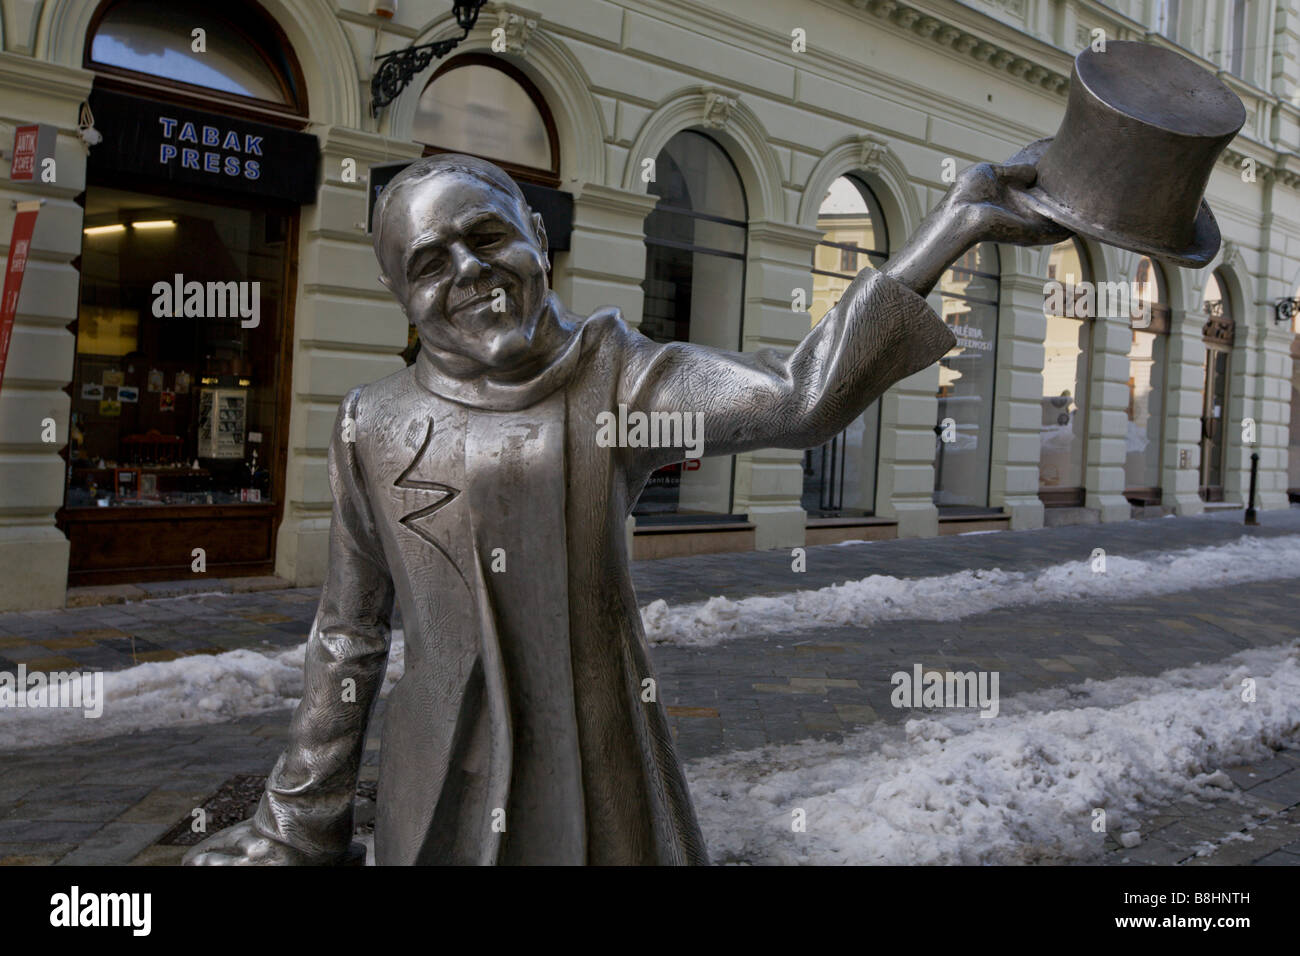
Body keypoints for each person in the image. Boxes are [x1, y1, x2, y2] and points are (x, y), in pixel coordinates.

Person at [184, 153, 1067, 865]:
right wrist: (295, 824)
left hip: (596, 770)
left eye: (487, 236)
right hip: (435, 785)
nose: (470, 272)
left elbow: (799, 396)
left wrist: (956, 227)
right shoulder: (369, 421)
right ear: (401, 298)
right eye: (428, 265)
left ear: (537, 233)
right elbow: (349, 633)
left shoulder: (621, 377)